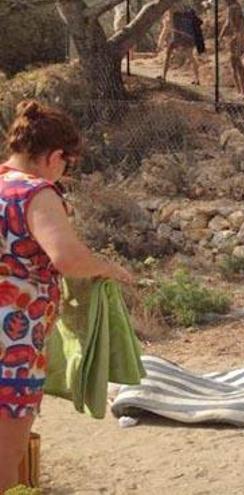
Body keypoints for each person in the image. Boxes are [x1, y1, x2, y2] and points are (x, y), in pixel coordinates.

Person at [0, 100, 134, 492]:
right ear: (56, 156)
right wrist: (107, 268)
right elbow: (68, 258)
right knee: (5, 461)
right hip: (13, 341)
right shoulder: (36, 193)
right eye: (68, 164)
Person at [159, 5, 202, 85]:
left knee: (168, 54)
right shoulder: (182, 12)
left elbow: (167, 29)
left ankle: (163, 76)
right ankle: (197, 79)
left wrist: (160, 41)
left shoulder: (170, 14)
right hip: (189, 37)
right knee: (191, 57)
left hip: (178, 37)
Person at [220, 0, 244, 99]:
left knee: (235, 66)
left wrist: (220, 36)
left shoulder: (231, 8)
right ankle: (243, 92)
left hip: (236, 38)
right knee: (241, 67)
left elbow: (227, 23)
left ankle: (240, 92)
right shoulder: (241, 7)